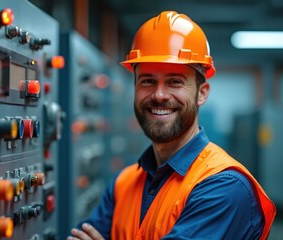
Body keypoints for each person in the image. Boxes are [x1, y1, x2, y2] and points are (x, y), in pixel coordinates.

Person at [67, 10, 276, 240]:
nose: (159, 95)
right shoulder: (123, 183)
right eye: (147, 81)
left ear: (201, 93)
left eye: (175, 82)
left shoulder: (225, 187)